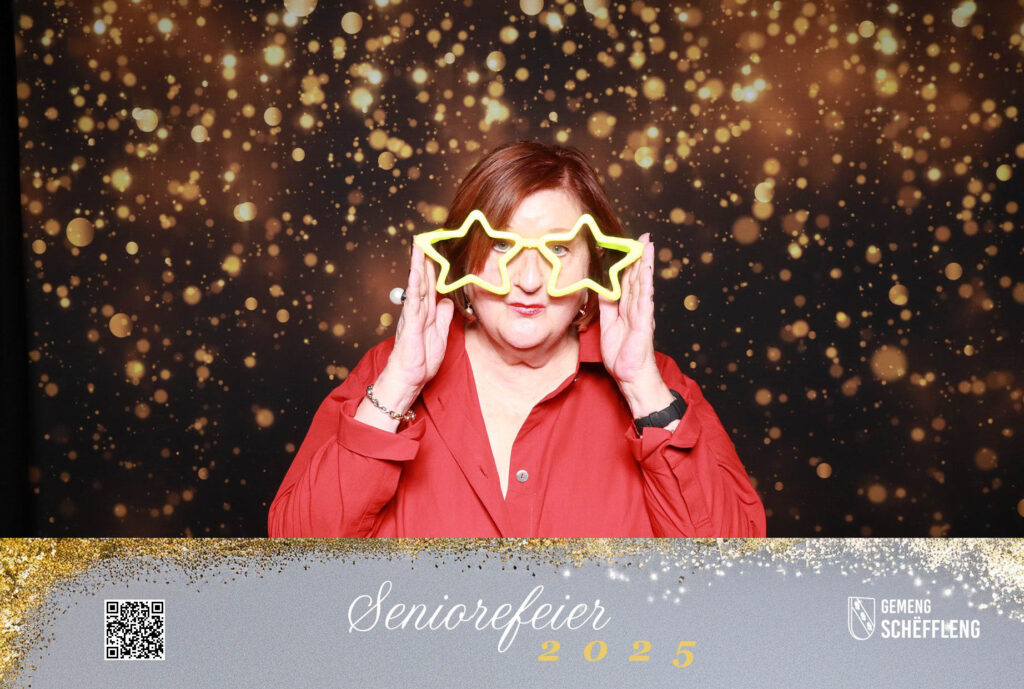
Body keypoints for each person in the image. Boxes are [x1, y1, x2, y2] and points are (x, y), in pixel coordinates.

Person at [268, 140, 766, 537]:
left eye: (558, 249)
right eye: (502, 244)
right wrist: (400, 386)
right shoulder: (388, 373)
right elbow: (297, 559)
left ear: (593, 266)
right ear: (463, 258)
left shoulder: (660, 388)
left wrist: (641, 388)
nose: (528, 279)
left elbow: (730, 574)